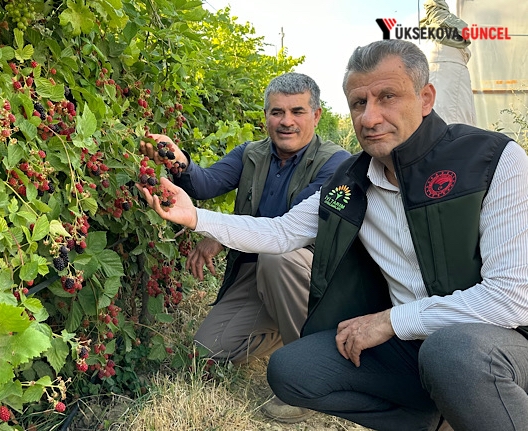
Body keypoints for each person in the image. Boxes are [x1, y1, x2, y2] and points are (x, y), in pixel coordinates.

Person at [138, 39, 528, 431]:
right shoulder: (352, 182)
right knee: (293, 369)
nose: (370, 117)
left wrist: (390, 321)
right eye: (359, 103)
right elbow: (282, 231)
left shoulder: (493, 160)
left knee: (452, 351)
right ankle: (429, 418)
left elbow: (511, 298)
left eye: (387, 96)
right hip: (412, 348)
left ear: (426, 98)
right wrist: (194, 217)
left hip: (500, 345)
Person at [139, 72, 350, 423]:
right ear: (265, 116)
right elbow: (206, 184)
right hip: (257, 272)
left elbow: (288, 231)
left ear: (316, 115)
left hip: (308, 275)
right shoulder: (251, 154)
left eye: (297, 111)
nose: (286, 122)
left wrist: (216, 232)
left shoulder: (335, 164)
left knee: (277, 258)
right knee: (205, 352)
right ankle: (285, 329)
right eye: (276, 112)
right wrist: (179, 161)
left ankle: (311, 378)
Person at [419, 0, 477, 125]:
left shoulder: (436, 30)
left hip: (451, 75)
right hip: (444, 75)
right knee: (446, 118)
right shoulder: (438, 27)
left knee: (452, 119)